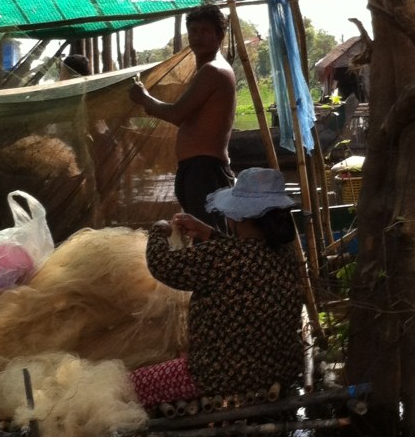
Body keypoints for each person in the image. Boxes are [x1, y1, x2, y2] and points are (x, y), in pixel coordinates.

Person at [130, 168, 305, 409]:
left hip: (220, 377)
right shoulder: (285, 254)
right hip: (281, 370)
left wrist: (159, 229)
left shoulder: (223, 257)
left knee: (129, 386)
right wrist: (208, 233)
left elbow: (163, 264)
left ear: (237, 216)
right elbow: (241, 261)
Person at [129, 4, 236, 228]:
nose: (197, 37)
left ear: (219, 35)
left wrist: (144, 97)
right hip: (197, 169)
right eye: (193, 31)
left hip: (205, 170)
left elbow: (177, 114)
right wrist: (150, 103)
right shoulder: (206, 70)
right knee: (201, 238)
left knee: (207, 241)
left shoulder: (213, 70)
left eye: (205, 31)